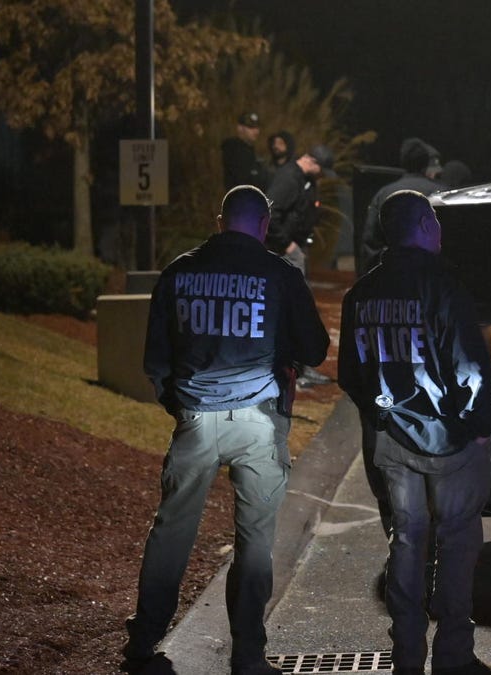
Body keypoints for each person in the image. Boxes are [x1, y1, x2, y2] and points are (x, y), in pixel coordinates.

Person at [122, 185, 330, 675]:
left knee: (171, 531)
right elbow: (317, 348)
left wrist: (180, 403)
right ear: (263, 224)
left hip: (196, 419)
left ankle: (145, 639)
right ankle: (248, 655)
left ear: (220, 221)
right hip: (259, 420)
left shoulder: (180, 272)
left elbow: (156, 357)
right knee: (254, 540)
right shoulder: (278, 274)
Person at [337, 190, 491, 675]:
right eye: (434, 220)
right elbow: (468, 366)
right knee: (456, 545)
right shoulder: (443, 284)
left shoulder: (362, 294)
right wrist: (479, 427)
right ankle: (453, 656)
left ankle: (406, 656)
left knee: (407, 542)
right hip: (450, 440)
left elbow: (351, 375)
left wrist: (383, 414)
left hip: (392, 440)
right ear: (422, 226)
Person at [361, 137, 444, 270]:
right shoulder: (441, 192)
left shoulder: (383, 193)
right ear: (426, 163)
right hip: (431, 274)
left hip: (393, 274)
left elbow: (371, 241)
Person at [266, 145, 332, 274]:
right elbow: (269, 211)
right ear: (313, 162)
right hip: (282, 249)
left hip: (294, 245)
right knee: (294, 289)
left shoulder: (304, 178)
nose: (321, 175)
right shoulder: (289, 178)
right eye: (321, 170)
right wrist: (286, 244)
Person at [222, 112, 266, 191]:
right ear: (240, 128)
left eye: (257, 127)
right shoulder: (234, 151)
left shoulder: (251, 151)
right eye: (251, 127)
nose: (256, 131)